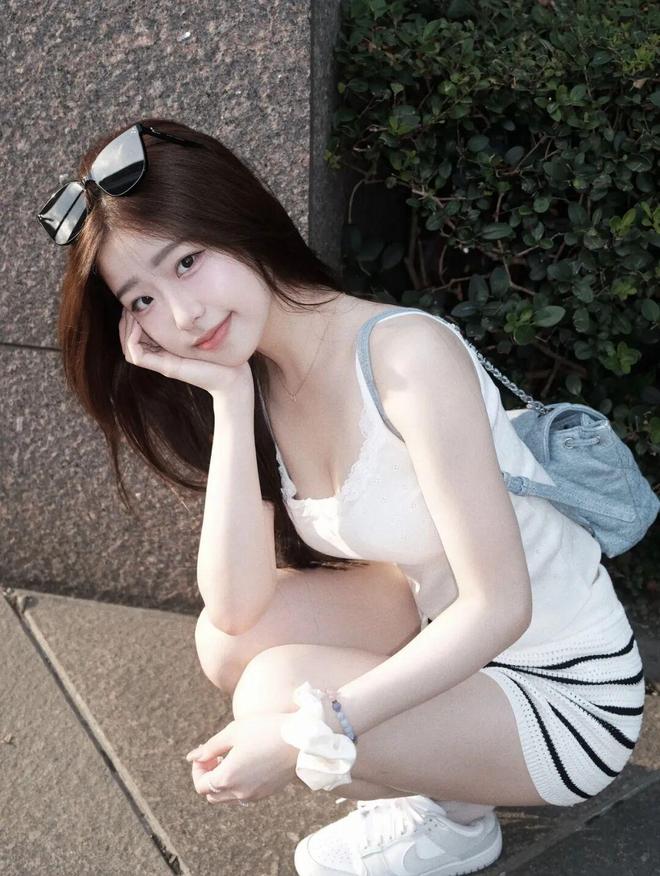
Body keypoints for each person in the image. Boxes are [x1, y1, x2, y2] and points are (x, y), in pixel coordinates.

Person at [37, 118, 646, 876]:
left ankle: (453, 817)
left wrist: (314, 728)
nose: (182, 316)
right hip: (438, 621)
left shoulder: (405, 358)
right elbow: (235, 607)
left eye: (187, 262)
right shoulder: (260, 376)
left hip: (563, 694)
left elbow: (501, 607)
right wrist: (229, 397)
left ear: (239, 222)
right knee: (228, 645)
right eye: (141, 300)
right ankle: (445, 782)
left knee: (274, 695)